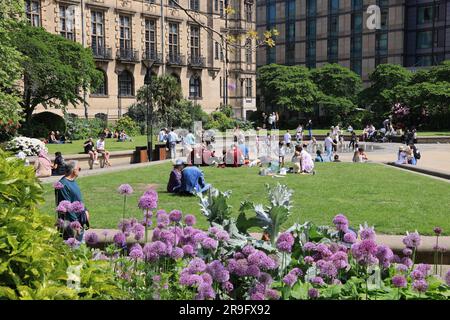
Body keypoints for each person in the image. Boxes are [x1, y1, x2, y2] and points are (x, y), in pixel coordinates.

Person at [56, 161, 90, 240]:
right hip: (71, 225)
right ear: (74, 170)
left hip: (79, 222)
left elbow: (77, 200)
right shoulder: (63, 185)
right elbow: (67, 206)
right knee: (72, 248)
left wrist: (86, 210)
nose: (80, 171)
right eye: (79, 169)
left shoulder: (72, 182)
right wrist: (76, 223)